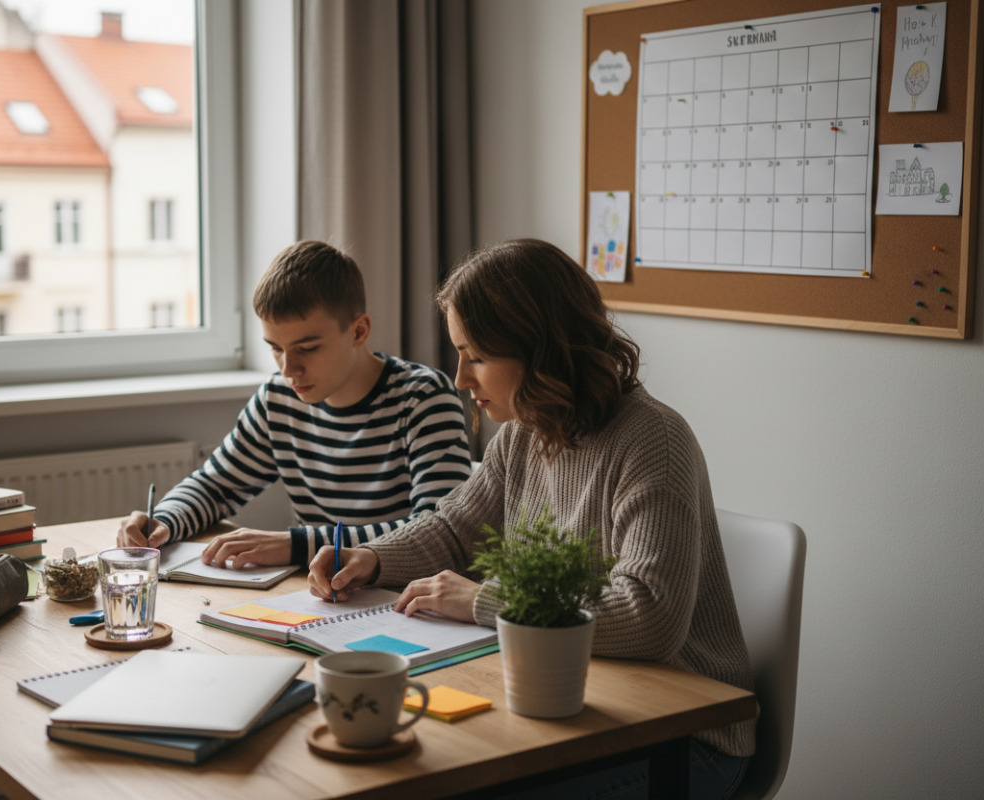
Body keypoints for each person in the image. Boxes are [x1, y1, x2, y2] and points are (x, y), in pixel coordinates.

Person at [308, 238, 754, 799]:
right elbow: (452, 529)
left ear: (541, 350)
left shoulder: (653, 440)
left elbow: (649, 616)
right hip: (570, 696)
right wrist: (372, 559)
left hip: (685, 736)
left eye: (477, 357)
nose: (460, 379)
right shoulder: (524, 433)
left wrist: (482, 600)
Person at [118, 240, 473, 567]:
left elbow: (437, 530)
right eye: (275, 348)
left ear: (358, 331)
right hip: (318, 595)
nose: (289, 369)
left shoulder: (423, 397)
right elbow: (216, 485)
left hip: (402, 596)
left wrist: (295, 545)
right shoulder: (279, 398)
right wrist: (163, 520)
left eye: (306, 348)